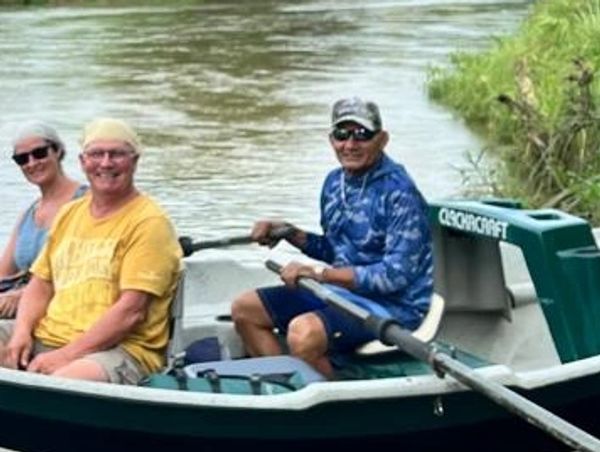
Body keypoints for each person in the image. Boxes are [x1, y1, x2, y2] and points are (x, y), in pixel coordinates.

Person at [231, 97, 433, 378]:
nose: (350, 145)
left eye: (362, 135)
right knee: (245, 309)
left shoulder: (400, 192)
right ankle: (285, 384)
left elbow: (395, 275)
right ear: (331, 140)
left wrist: (320, 274)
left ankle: (334, 398)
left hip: (394, 306)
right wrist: (290, 233)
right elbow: (335, 250)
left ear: (382, 139)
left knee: (302, 334)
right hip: (338, 293)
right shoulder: (332, 183)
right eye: (342, 135)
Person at [0, 118, 182, 385]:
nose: (106, 163)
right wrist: (21, 334)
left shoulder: (150, 222)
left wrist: (66, 356)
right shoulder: (70, 213)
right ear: (83, 161)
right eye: (96, 154)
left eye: (117, 154)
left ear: (134, 160)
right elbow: (40, 285)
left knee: (61, 385)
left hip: (119, 349)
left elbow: (131, 312)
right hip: (50, 335)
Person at [0, 121, 87, 319]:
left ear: (57, 151)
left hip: (59, 307)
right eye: (22, 159)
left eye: (39, 153)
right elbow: (3, 274)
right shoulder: (28, 214)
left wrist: (24, 295)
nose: (32, 163)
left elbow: (83, 272)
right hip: (18, 304)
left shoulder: (85, 203)